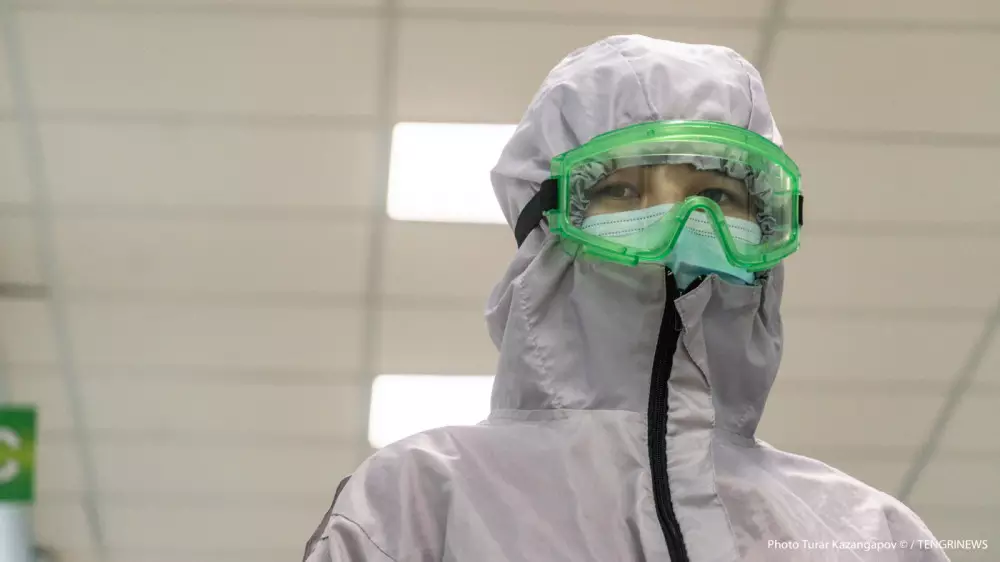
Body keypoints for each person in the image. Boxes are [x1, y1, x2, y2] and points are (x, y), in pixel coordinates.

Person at [304, 35, 947, 562]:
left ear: (770, 227)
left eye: (718, 196)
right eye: (623, 191)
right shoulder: (420, 500)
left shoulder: (872, 534)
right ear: (546, 225)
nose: (683, 223)